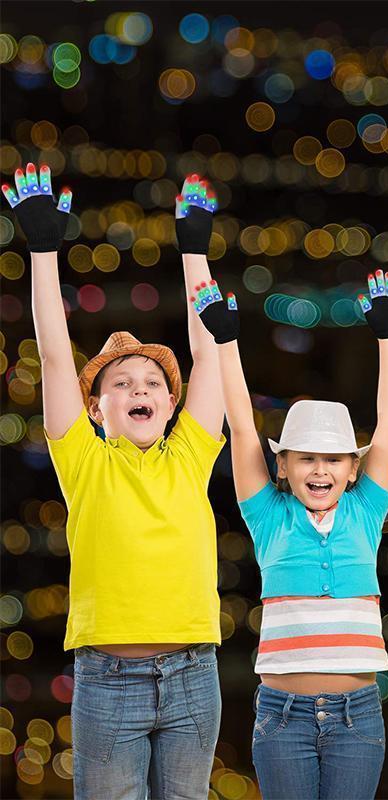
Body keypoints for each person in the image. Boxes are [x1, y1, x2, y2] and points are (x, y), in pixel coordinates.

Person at [3, 168, 227, 800]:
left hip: (193, 674)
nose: (140, 390)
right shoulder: (84, 459)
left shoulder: (190, 454)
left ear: (172, 405)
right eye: (122, 384)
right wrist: (43, 249)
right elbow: (52, 354)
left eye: (154, 383)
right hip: (106, 680)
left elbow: (208, 354)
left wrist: (194, 250)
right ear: (95, 408)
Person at [194, 268, 388, 799]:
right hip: (280, 714)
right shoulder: (268, 516)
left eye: (333, 459)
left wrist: (387, 337)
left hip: (358, 714)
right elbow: (242, 427)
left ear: (353, 469)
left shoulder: (365, 512)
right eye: (306, 458)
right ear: (282, 467)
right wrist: (227, 341)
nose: (320, 470)